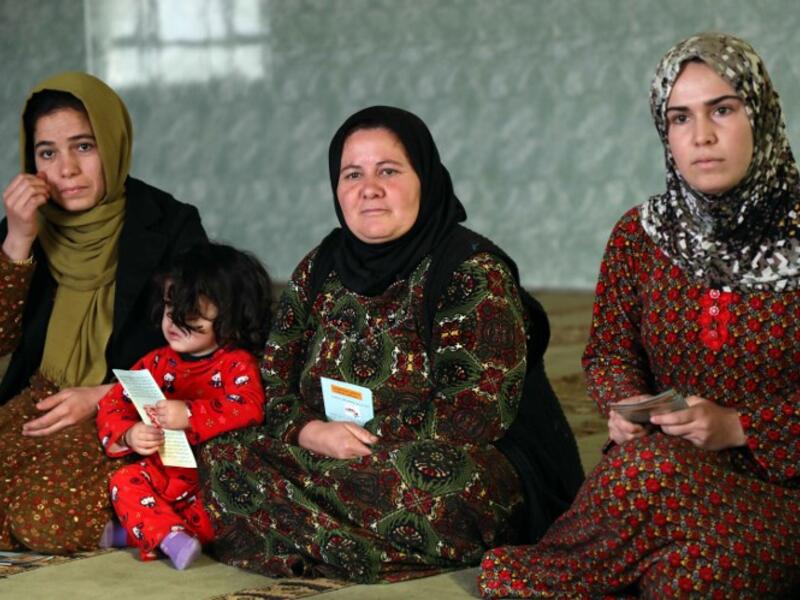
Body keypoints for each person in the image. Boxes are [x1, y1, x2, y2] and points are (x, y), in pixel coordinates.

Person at [198, 106, 582, 583]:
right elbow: (271, 379)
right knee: (220, 450)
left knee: (443, 487)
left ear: (424, 177)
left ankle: (289, 529)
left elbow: (472, 417)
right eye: (352, 174)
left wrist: (360, 444)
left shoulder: (469, 271)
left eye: (389, 171)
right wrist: (309, 433)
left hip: (437, 460)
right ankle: (354, 542)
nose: (369, 189)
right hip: (321, 448)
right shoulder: (321, 266)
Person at [479, 32, 800, 598]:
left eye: (723, 109)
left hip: (780, 488)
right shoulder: (641, 235)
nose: (701, 136)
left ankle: (544, 576)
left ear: (762, 115)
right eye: (679, 118)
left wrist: (739, 427)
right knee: (678, 574)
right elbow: (608, 351)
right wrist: (624, 406)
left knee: (680, 570)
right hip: (662, 467)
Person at [0, 72, 207, 554]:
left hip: (125, 413)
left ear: (113, 144)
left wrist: (101, 396)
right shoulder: (28, 226)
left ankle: (142, 516)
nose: (66, 169)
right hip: (39, 404)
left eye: (84, 146)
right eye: (47, 153)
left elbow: (203, 350)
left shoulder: (171, 225)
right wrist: (17, 240)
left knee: (46, 522)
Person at [96, 242, 272, 570]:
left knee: (224, 516)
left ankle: (149, 534)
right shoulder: (155, 361)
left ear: (232, 320)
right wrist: (129, 434)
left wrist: (190, 414)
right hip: (163, 470)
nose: (174, 323)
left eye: (190, 316)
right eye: (169, 309)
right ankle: (164, 535)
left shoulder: (237, 364)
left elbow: (250, 408)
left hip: (209, 477)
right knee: (124, 481)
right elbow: (113, 403)